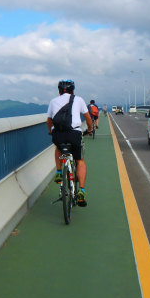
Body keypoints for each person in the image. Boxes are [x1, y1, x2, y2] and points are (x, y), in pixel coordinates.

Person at [47, 79, 93, 207]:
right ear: (73, 90)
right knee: (80, 161)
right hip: (74, 134)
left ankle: (58, 172)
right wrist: (90, 129)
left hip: (59, 134)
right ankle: (81, 191)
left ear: (59, 91)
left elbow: (49, 120)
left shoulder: (53, 101)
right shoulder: (78, 99)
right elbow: (88, 118)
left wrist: (51, 131)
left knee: (58, 148)